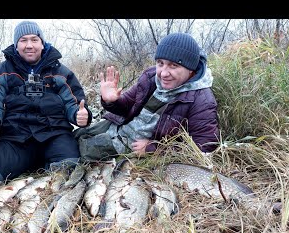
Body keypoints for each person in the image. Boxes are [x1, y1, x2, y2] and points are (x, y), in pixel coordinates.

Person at [0, 20, 92, 186]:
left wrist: (80, 115)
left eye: (34, 40)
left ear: (42, 43)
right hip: (17, 138)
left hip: (54, 135)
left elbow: (75, 103)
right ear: (16, 44)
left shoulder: (61, 73)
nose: (29, 45)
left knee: (68, 171)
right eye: (23, 40)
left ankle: (42, 161)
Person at [74, 32, 219, 161]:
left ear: (191, 70)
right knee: (75, 135)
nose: (163, 73)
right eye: (160, 63)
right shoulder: (150, 76)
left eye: (173, 66)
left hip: (132, 144)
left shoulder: (202, 100)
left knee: (75, 155)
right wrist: (112, 101)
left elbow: (203, 150)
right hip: (117, 125)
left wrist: (153, 149)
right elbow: (127, 107)